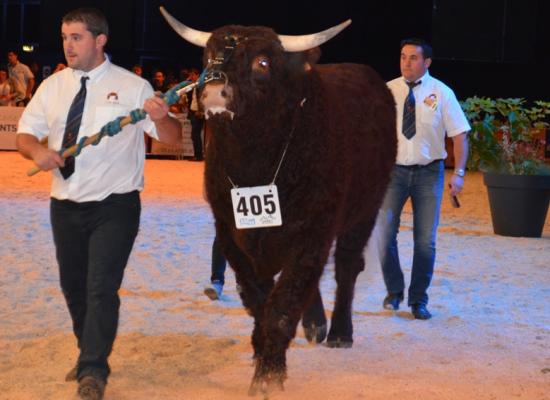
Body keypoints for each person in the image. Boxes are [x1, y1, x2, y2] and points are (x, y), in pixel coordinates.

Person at [15, 7, 182, 400]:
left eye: (77, 37)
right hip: (64, 203)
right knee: (73, 287)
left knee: (100, 288)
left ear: (99, 40)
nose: (68, 45)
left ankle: (93, 370)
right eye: (64, 37)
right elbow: (25, 134)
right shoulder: (52, 86)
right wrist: (36, 152)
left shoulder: (133, 87)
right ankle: (89, 349)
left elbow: (171, 137)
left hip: (115, 206)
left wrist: (162, 118)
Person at [380, 38, 470, 320]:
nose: (406, 62)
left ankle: (418, 300)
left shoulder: (442, 93)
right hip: (393, 172)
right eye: (403, 56)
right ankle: (395, 291)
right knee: (383, 235)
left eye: (413, 58)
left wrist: (459, 173)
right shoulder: (387, 91)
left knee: (425, 241)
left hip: (429, 173)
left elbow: (459, 135)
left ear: (427, 62)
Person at [185, 68, 204, 161]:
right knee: (195, 135)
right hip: (192, 112)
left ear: (198, 75)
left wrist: (201, 111)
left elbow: (203, 99)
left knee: (195, 134)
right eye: (190, 75)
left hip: (198, 112)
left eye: (193, 75)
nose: (191, 77)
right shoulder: (192, 85)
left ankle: (199, 156)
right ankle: (197, 155)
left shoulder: (201, 85)